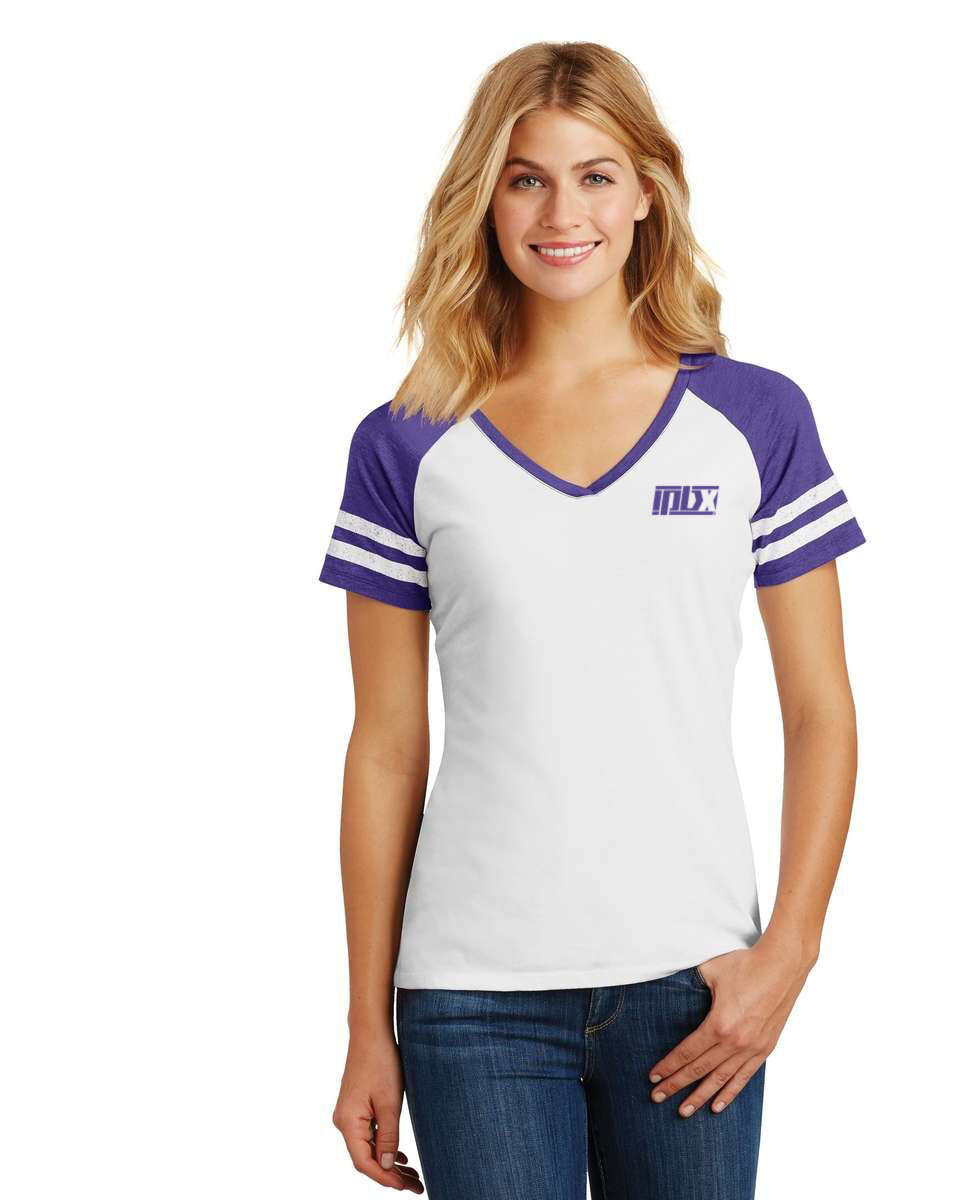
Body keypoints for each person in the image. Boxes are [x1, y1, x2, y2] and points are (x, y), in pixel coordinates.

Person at [320, 41, 866, 1200]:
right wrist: (368, 1024)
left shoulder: (755, 418)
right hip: (472, 997)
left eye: (595, 176)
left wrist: (791, 951)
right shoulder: (408, 440)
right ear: (484, 199)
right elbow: (385, 748)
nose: (561, 213)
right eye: (526, 179)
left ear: (648, 193)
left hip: (696, 986)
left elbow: (820, 708)